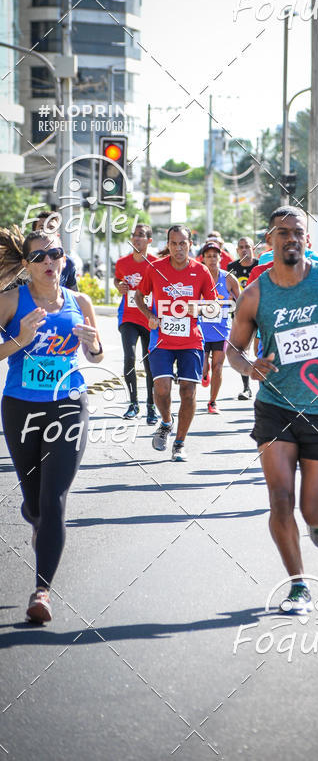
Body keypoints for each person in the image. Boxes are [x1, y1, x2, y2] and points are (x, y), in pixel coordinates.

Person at [227, 207, 318, 615]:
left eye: (298, 232)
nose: (291, 238)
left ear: (307, 238)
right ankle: (298, 585)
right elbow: (232, 349)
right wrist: (249, 366)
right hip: (275, 406)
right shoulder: (256, 293)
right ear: (269, 239)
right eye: (282, 232)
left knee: (312, 511)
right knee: (280, 498)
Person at [0, 225, 104, 623]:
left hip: (69, 405)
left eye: (55, 253)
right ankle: (37, 521)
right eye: (39, 256)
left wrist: (93, 344)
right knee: (34, 504)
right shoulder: (11, 301)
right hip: (21, 407)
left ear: (64, 259)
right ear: (26, 264)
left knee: (54, 499)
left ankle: (42, 591)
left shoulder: (80, 301)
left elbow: (95, 356)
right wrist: (20, 340)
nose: (49, 261)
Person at [135, 225, 216, 462]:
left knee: (188, 392)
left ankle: (179, 443)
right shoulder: (155, 268)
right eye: (173, 243)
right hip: (161, 339)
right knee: (161, 388)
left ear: (191, 244)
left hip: (191, 340)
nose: (178, 248)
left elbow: (214, 306)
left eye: (183, 243)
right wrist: (148, 315)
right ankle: (166, 421)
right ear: (167, 244)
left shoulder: (200, 272)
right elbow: (139, 295)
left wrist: (199, 307)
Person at [114, 224, 158, 423]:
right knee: (129, 357)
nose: (136, 238)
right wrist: (119, 285)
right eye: (134, 235)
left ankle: (151, 405)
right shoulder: (123, 262)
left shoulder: (157, 263)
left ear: (149, 240)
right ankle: (133, 403)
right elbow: (117, 280)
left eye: (141, 235)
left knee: (149, 362)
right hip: (128, 317)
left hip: (149, 317)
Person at [198, 240, 240, 413]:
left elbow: (242, 302)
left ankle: (212, 402)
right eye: (208, 256)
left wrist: (233, 304)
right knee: (203, 367)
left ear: (220, 257)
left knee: (218, 366)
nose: (212, 259)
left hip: (222, 330)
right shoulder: (198, 277)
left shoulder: (229, 278)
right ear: (203, 259)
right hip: (201, 329)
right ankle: (204, 373)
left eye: (215, 256)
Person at [227, 236, 259, 399]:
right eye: (241, 247)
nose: (244, 249)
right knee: (242, 350)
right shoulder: (231, 267)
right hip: (240, 314)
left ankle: (266, 384)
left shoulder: (259, 265)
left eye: (247, 246)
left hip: (260, 312)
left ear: (253, 248)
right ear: (237, 250)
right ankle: (246, 388)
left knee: (259, 349)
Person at [31, 211, 79, 290]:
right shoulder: (23, 263)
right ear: (33, 234)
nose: (46, 231)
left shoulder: (68, 263)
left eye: (51, 228)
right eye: (42, 228)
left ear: (57, 234)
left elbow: (74, 297)